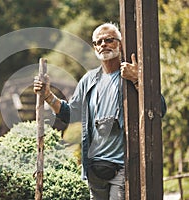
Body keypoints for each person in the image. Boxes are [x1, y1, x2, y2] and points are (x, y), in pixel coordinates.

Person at [33, 23, 166, 200]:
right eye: (99, 42)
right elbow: (69, 114)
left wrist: (137, 79)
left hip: (123, 167)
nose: (103, 44)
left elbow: (159, 110)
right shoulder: (89, 80)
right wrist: (48, 95)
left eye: (109, 40)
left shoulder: (129, 74)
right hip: (94, 168)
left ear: (119, 43)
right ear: (95, 47)